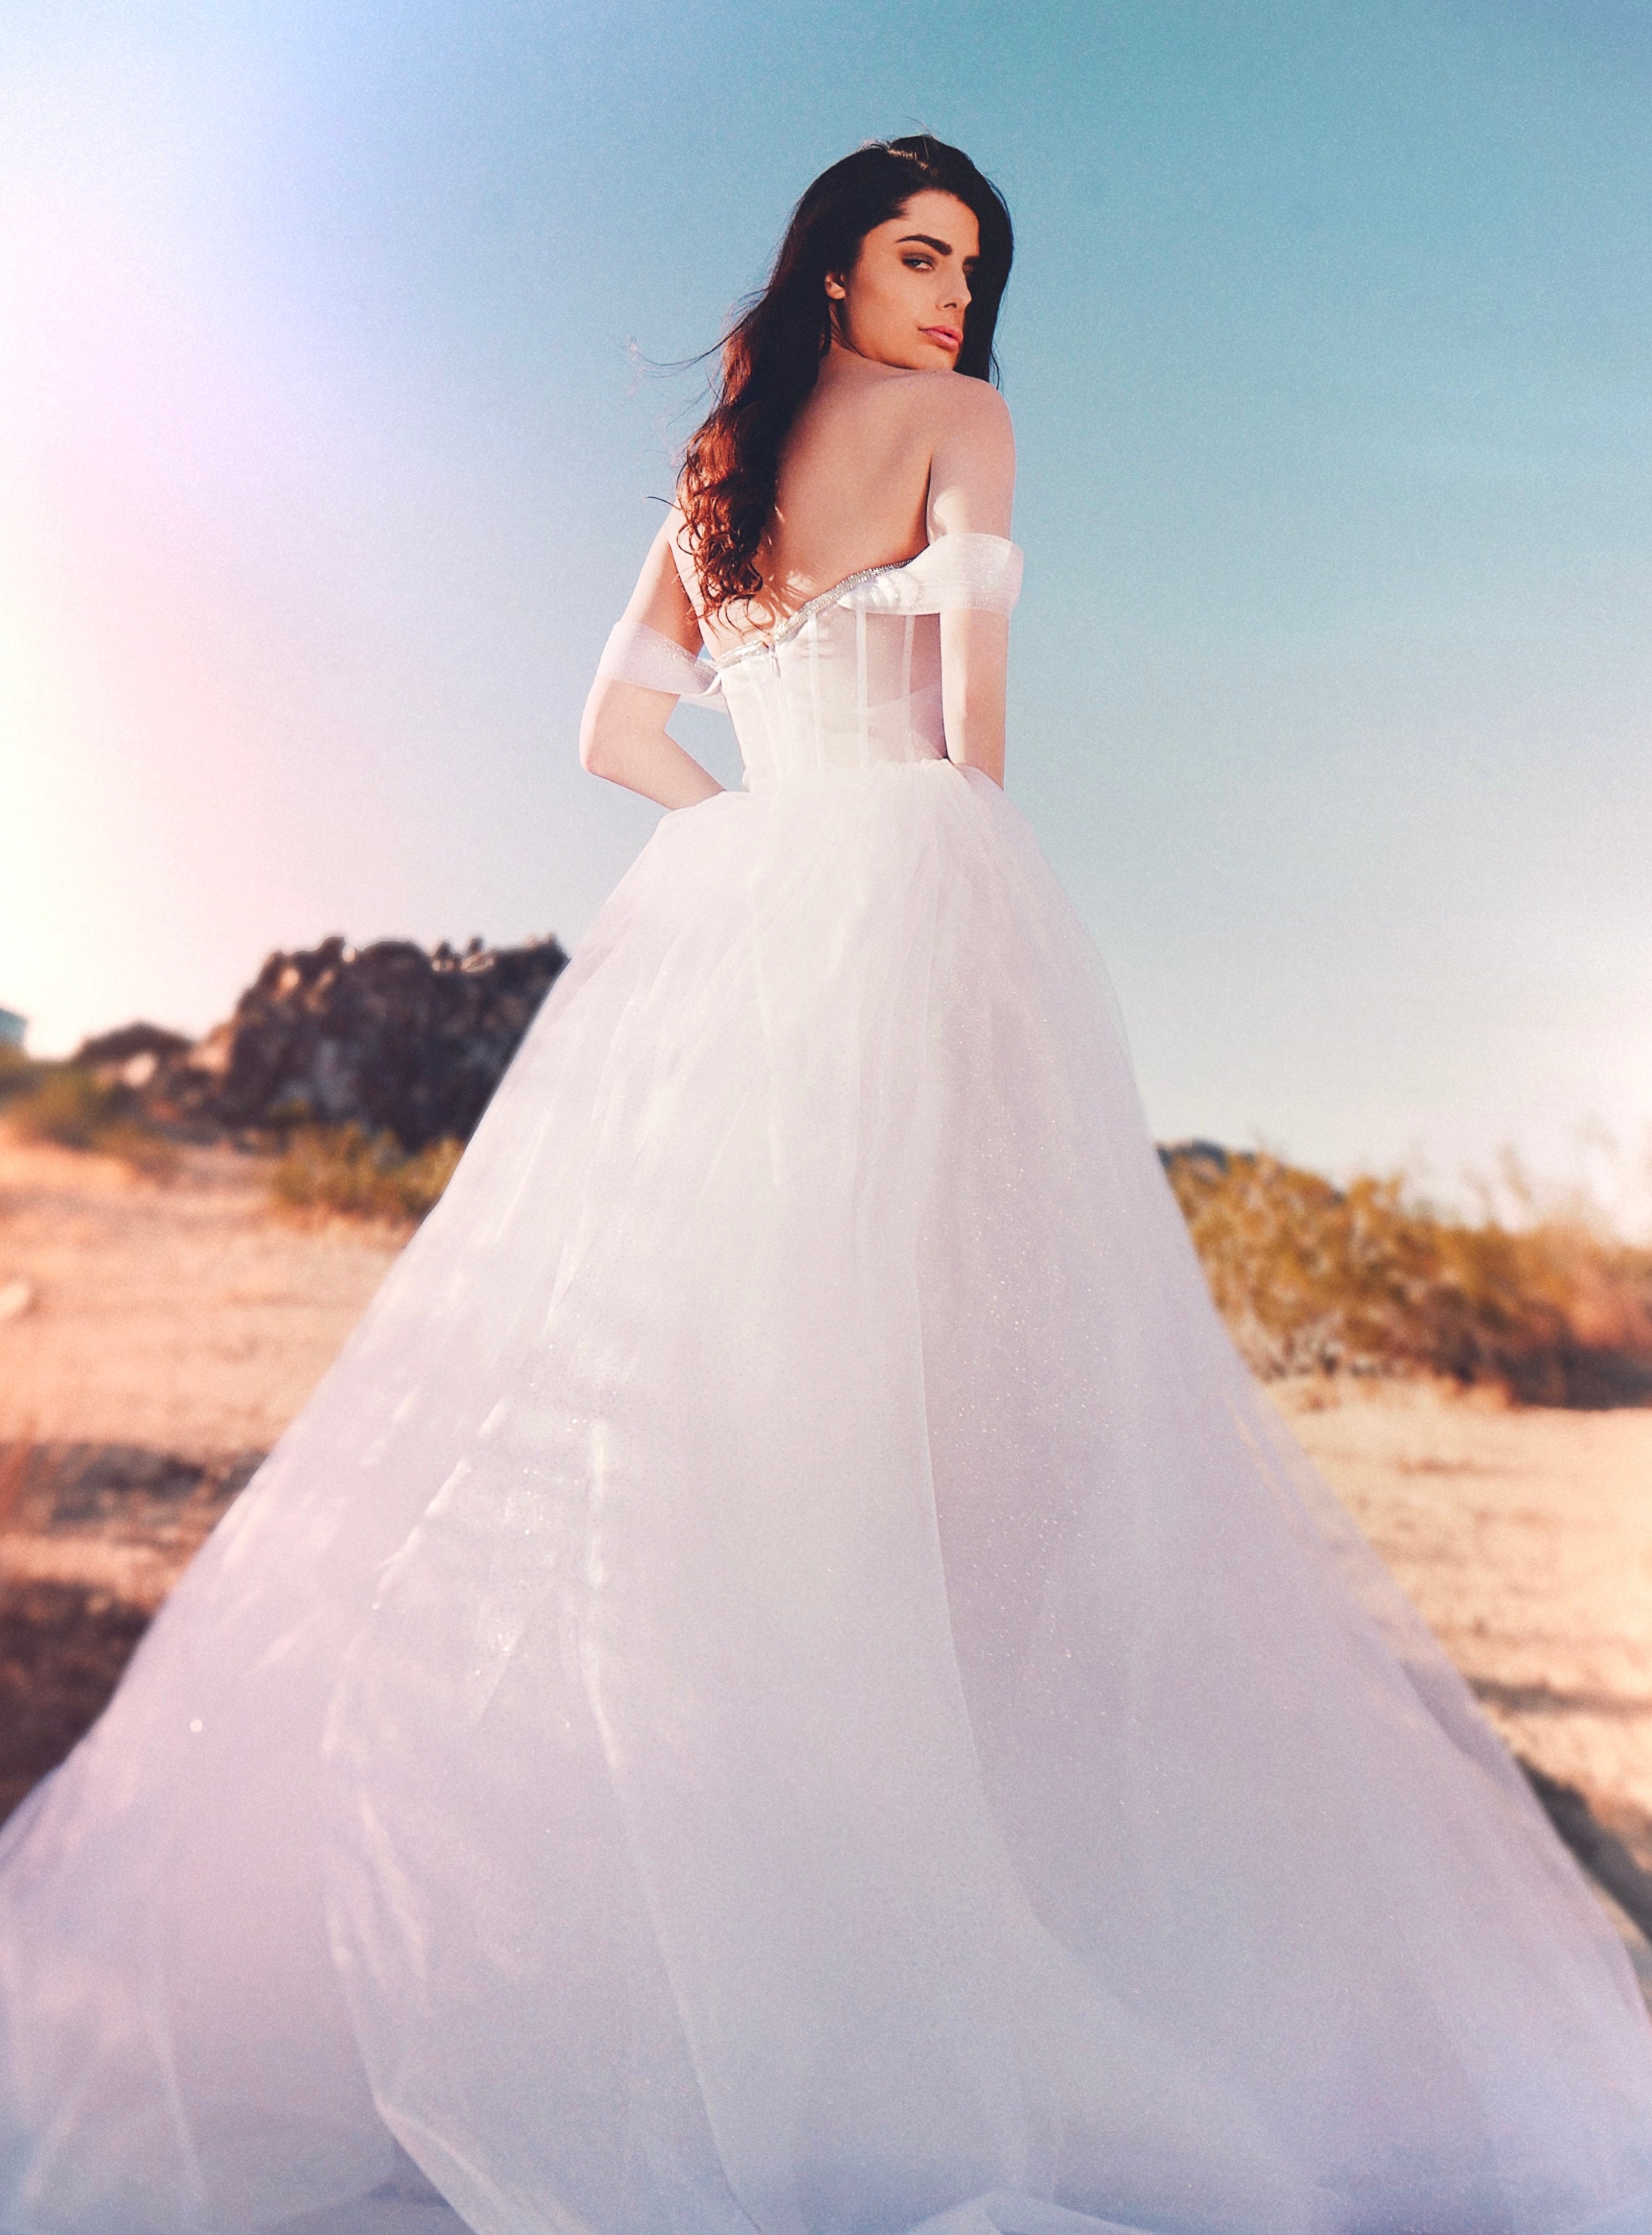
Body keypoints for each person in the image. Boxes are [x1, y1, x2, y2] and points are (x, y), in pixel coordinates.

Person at [1, 133, 1650, 2235]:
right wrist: (935, 901)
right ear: (840, 261)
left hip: (729, 941)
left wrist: (742, 835)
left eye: (975, 264)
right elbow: (971, 744)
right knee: (957, 1432)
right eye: (922, 250)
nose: (957, 294)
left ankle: (704, 1979)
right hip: (913, 902)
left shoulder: (716, 461)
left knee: (703, 1436)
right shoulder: (966, 428)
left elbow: (612, 727)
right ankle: (922, 1947)